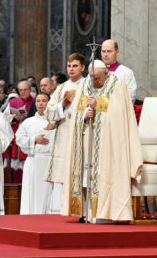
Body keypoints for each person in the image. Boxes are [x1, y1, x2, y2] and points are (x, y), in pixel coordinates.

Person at [61, 60, 143, 223]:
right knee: (86, 175)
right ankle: (86, 212)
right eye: (91, 77)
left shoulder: (118, 86)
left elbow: (120, 116)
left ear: (106, 73)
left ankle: (108, 213)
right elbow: (75, 113)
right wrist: (84, 116)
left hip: (110, 143)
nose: (94, 82)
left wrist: (98, 106)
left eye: (97, 78)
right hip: (87, 140)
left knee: (107, 175)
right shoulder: (85, 84)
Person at [44, 53, 86, 212]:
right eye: (69, 66)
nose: (71, 69)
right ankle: (58, 212)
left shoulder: (88, 86)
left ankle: (81, 211)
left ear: (82, 67)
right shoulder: (61, 88)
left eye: (75, 66)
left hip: (81, 135)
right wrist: (63, 103)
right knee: (62, 174)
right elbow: (48, 113)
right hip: (63, 136)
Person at [16, 92, 57, 214]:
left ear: (49, 103)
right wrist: (34, 139)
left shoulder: (55, 121)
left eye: (44, 100)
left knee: (48, 192)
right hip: (33, 160)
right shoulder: (28, 122)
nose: (40, 103)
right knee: (32, 190)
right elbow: (19, 138)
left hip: (50, 160)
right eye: (38, 101)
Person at [101, 39, 137, 104]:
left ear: (117, 52)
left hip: (118, 111)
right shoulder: (94, 71)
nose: (105, 55)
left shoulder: (126, 72)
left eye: (109, 51)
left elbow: (131, 97)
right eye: (103, 51)